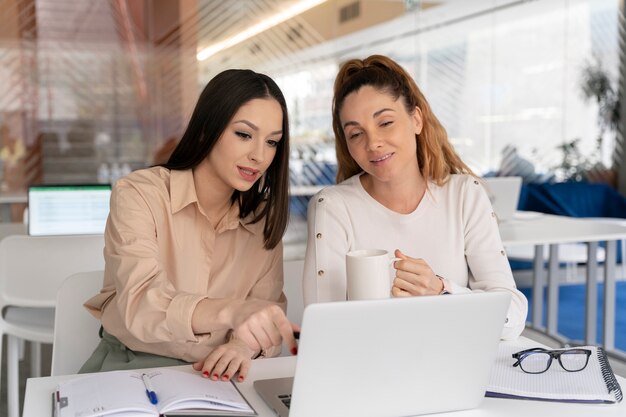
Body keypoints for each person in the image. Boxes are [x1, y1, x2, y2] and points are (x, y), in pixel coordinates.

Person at [81, 69, 298, 381]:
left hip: (221, 375)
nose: (259, 156)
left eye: (272, 142)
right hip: (134, 366)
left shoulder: (262, 218)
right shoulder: (140, 194)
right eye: (244, 135)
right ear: (206, 128)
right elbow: (140, 304)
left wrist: (241, 346)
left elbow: (266, 311)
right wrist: (232, 311)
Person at [303, 55, 527, 340]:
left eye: (385, 122)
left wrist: (441, 290)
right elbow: (325, 329)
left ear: (416, 120)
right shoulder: (332, 207)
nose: (373, 143)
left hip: (456, 365)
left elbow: (512, 316)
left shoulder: (465, 195)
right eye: (356, 133)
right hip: (372, 372)